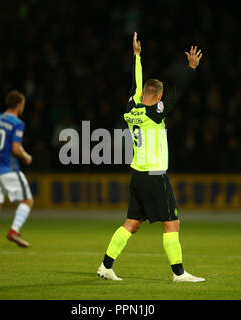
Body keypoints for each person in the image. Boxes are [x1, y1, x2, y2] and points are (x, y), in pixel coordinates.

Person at [97, 32, 205, 282]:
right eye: (161, 97)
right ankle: (179, 274)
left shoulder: (130, 110)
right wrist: (191, 69)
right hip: (155, 175)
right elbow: (177, 94)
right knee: (172, 223)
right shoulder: (155, 114)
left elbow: (135, 85)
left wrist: (136, 56)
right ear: (157, 97)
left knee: (131, 224)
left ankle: (106, 266)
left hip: (137, 176)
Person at [0, 90, 33, 248]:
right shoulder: (17, 123)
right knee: (28, 200)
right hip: (8, 168)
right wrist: (26, 156)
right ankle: (14, 231)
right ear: (18, 104)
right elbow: (16, 149)